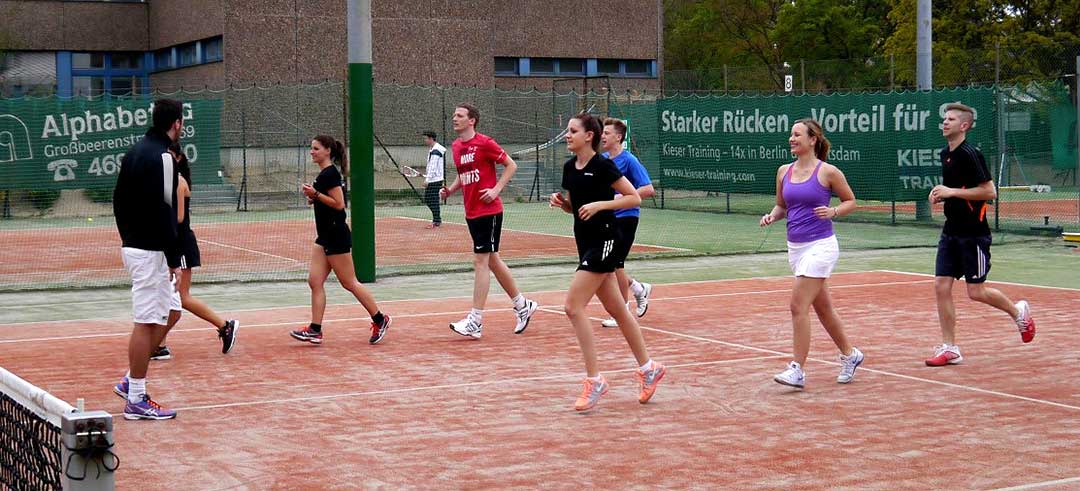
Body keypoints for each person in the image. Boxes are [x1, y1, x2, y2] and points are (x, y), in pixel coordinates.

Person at [549, 112, 666, 411]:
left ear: (589, 135)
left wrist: (602, 204)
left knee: (572, 307)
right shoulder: (569, 168)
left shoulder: (604, 165)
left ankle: (594, 380)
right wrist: (564, 205)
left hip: (605, 240)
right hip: (585, 242)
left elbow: (634, 198)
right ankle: (649, 367)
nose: (567, 135)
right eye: (567, 131)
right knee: (617, 308)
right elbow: (576, 209)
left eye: (573, 131)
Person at [925, 103, 1035, 366]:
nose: (945, 123)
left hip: (974, 235)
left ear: (964, 126)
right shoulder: (946, 154)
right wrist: (941, 195)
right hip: (951, 231)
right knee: (941, 286)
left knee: (976, 292)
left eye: (951, 119)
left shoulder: (970, 154)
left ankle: (1017, 310)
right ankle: (950, 348)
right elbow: (957, 189)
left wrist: (952, 193)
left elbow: (989, 192)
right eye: (945, 119)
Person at [760, 118, 862, 389]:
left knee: (797, 305)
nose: (792, 139)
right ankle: (851, 355)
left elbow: (851, 201)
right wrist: (771, 216)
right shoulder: (784, 171)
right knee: (824, 309)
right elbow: (782, 206)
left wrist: (834, 211)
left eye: (797, 135)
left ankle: (798, 370)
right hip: (796, 248)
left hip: (822, 246)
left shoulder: (828, 172)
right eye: (791, 135)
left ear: (812, 139)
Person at [110, 98, 185, 420]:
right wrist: (173, 256)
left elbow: (117, 201)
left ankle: (130, 381)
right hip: (149, 250)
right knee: (147, 322)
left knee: (173, 310)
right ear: (177, 124)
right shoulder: (163, 158)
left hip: (138, 246)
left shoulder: (134, 153)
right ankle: (137, 398)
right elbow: (165, 209)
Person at [439, 103, 538, 338]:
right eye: (454, 115)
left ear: (472, 120)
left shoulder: (485, 143)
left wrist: (496, 189)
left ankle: (475, 320)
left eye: (459, 115)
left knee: (480, 261)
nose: (454, 118)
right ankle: (522, 305)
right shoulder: (456, 146)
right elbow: (464, 175)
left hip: (489, 210)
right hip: (471, 211)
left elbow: (510, 165)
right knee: (492, 260)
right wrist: (451, 190)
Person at [289, 135, 392, 345]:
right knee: (314, 281)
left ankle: (380, 319)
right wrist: (314, 198)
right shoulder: (324, 174)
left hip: (336, 235)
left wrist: (316, 194)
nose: (312, 152)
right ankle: (315, 329)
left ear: (327, 151)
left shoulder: (330, 174)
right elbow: (327, 200)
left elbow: (339, 204)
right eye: (312, 148)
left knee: (349, 282)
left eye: (316, 148)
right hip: (324, 236)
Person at [148, 142, 239, 361]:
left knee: (181, 298)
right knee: (170, 298)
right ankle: (159, 346)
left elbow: (178, 218)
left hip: (180, 244)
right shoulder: (168, 181)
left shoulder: (178, 182)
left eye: (169, 155)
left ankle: (225, 326)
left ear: (177, 159)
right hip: (173, 244)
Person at [598, 118, 654, 328]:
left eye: (607, 133)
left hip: (627, 217)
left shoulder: (629, 160)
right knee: (611, 266)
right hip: (607, 218)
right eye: (602, 133)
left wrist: (622, 198)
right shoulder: (602, 160)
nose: (602, 136)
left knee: (614, 264)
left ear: (618, 137)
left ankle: (621, 311)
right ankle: (638, 289)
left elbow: (648, 189)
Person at [422, 131, 445, 228]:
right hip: (435, 179)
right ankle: (437, 220)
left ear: (431, 139)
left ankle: (436, 220)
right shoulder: (433, 149)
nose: (425, 140)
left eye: (426, 138)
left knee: (431, 200)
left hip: (435, 180)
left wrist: (427, 179)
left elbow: (433, 166)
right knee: (431, 199)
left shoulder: (436, 151)